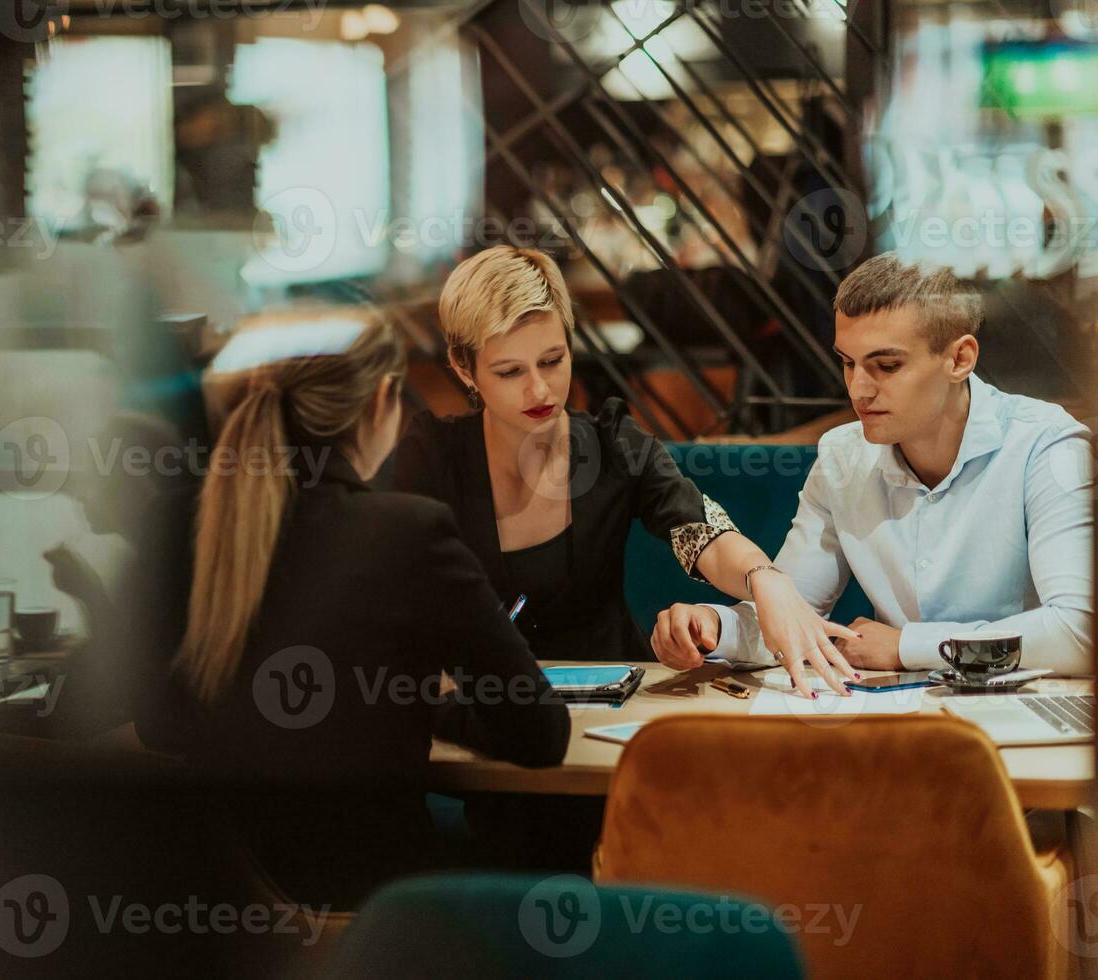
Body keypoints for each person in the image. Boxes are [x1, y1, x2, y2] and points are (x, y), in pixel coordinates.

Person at [131, 307, 570, 907]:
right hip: (375, 922)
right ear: (383, 400)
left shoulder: (173, 521)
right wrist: (431, 706)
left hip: (215, 921)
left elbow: (158, 721)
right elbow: (542, 734)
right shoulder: (407, 532)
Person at [393, 245, 858, 698]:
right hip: (482, 710)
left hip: (611, 699)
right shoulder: (433, 456)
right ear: (463, 367)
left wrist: (765, 578)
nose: (540, 389)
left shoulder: (613, 444)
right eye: (510, 372)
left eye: (553, 361)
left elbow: (699, 531)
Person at [652, 252, 1094, 676]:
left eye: (886, 365)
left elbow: (1079, 633)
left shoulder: (1046, 447)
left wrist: (905, 647)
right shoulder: (842, 458)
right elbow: (793, 616)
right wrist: (712, 628)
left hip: (1028, 720)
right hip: (900, 716)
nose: (859, 390)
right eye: (848, 364)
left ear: (960, 359)